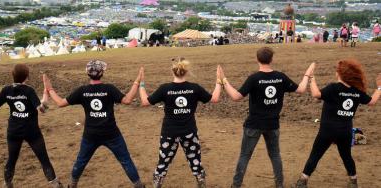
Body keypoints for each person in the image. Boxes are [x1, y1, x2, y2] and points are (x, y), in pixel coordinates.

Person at [219, 47, 315, 188]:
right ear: (272, 59)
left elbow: (236, 97)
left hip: (254, 124)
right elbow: (301, 89)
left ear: (257, 59)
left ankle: (236, 185)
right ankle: (279, 184)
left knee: (245, 155)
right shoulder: (280, 77)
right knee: (275, 155)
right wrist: (307, 75)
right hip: (272, 124)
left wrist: (224, 81)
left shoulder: (254, 78)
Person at [42, 60, 145, 188]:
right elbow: (128, 100)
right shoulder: (109, 88)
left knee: (81, 161)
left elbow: (60, 103)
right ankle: (139, 185)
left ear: (87, 73)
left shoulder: (82, 90)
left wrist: (50, 88)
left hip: (91, 134)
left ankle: (72, 185)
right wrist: (138, 81)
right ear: (102, 73)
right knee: (125, 160)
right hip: (111, 133)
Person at [294, 60, 381, 188]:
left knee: (316, 154)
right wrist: (379, 87)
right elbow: (372, 101)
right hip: (345, 131)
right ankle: (353, 181)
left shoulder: (333, 88)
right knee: (346, 156)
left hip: (327, 130)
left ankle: (303, 181)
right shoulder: (356, 91)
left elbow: (316, 94)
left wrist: (312, 78)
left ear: (340, 74)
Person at [138, 58, 222, 188]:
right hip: (189, 132)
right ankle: (200, 180)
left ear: (173, 71)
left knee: (164, 160)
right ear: (186, 71)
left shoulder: (165, 88)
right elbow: (215, 99)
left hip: (169, 133)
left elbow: (145, 102)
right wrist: (219, 81)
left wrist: (141, 83)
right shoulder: (194, 88)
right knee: (195, 160)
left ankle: (157, 182)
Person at [0, 64, 63, 188]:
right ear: (27, 77)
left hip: (13, 131)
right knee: (44, 160)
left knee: (12, 160)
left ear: (13, 75)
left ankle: (7, 184)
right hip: (32, 132)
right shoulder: (29, 90)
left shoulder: (6, 89)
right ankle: (55, 185)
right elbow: (42, 109)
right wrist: (46, 92)